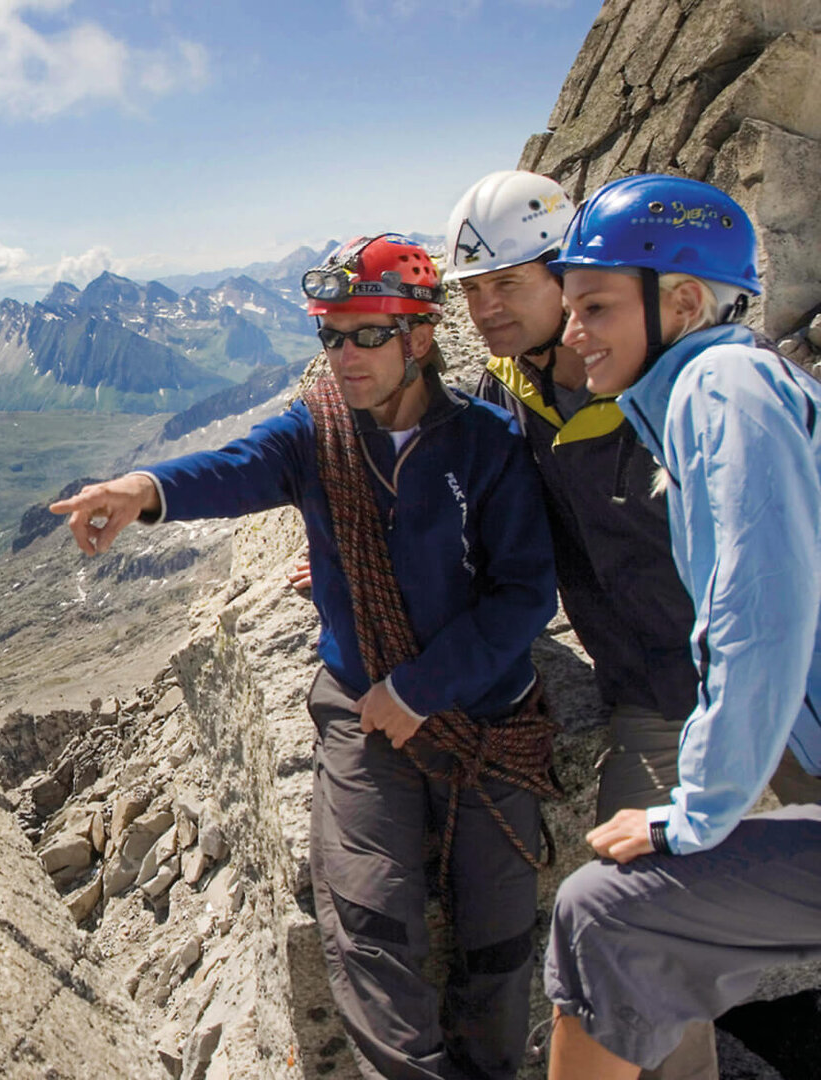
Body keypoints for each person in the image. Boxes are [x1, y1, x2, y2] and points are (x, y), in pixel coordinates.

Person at [52, 235, 558, 1080]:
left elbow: (524, 596)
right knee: (370, 918)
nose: (344, 354)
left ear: (419, 339)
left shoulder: (486, 443)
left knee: (498, 935)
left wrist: (421, 686)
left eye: (367, 334)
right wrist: (145, 490)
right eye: (331, 335)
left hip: (481, 709)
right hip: (361, 708)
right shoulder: (317, 431)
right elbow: (239, 467)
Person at [540, 174, 821, 1080]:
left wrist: (696, 813)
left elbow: (757, 611)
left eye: (595, 307)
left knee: (605, 916)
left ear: (685, 301)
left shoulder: (721, 385)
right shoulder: (717, 392)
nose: (573, 334)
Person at [444, 168, 718, 1077]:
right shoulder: (509, 390)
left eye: (507, 283)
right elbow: (465, 498)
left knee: (638, 921)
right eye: (472, 290)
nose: (484, 309)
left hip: (750, 688)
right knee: (638, 926)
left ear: (567, 272)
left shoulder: (678, 389)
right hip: (655, 699)